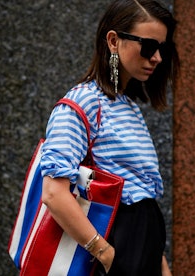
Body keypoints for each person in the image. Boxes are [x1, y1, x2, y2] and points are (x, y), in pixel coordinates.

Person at [40, 0, 179, 275]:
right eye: (149, 46)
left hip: (139, 249)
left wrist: (158, 261)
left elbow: (139, 190)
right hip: (114, 249)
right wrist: (107, 255)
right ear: (114, 41)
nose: (157, 58)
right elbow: (54, 193)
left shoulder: (125, 104)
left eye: (162, 48)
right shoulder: (84, 102)